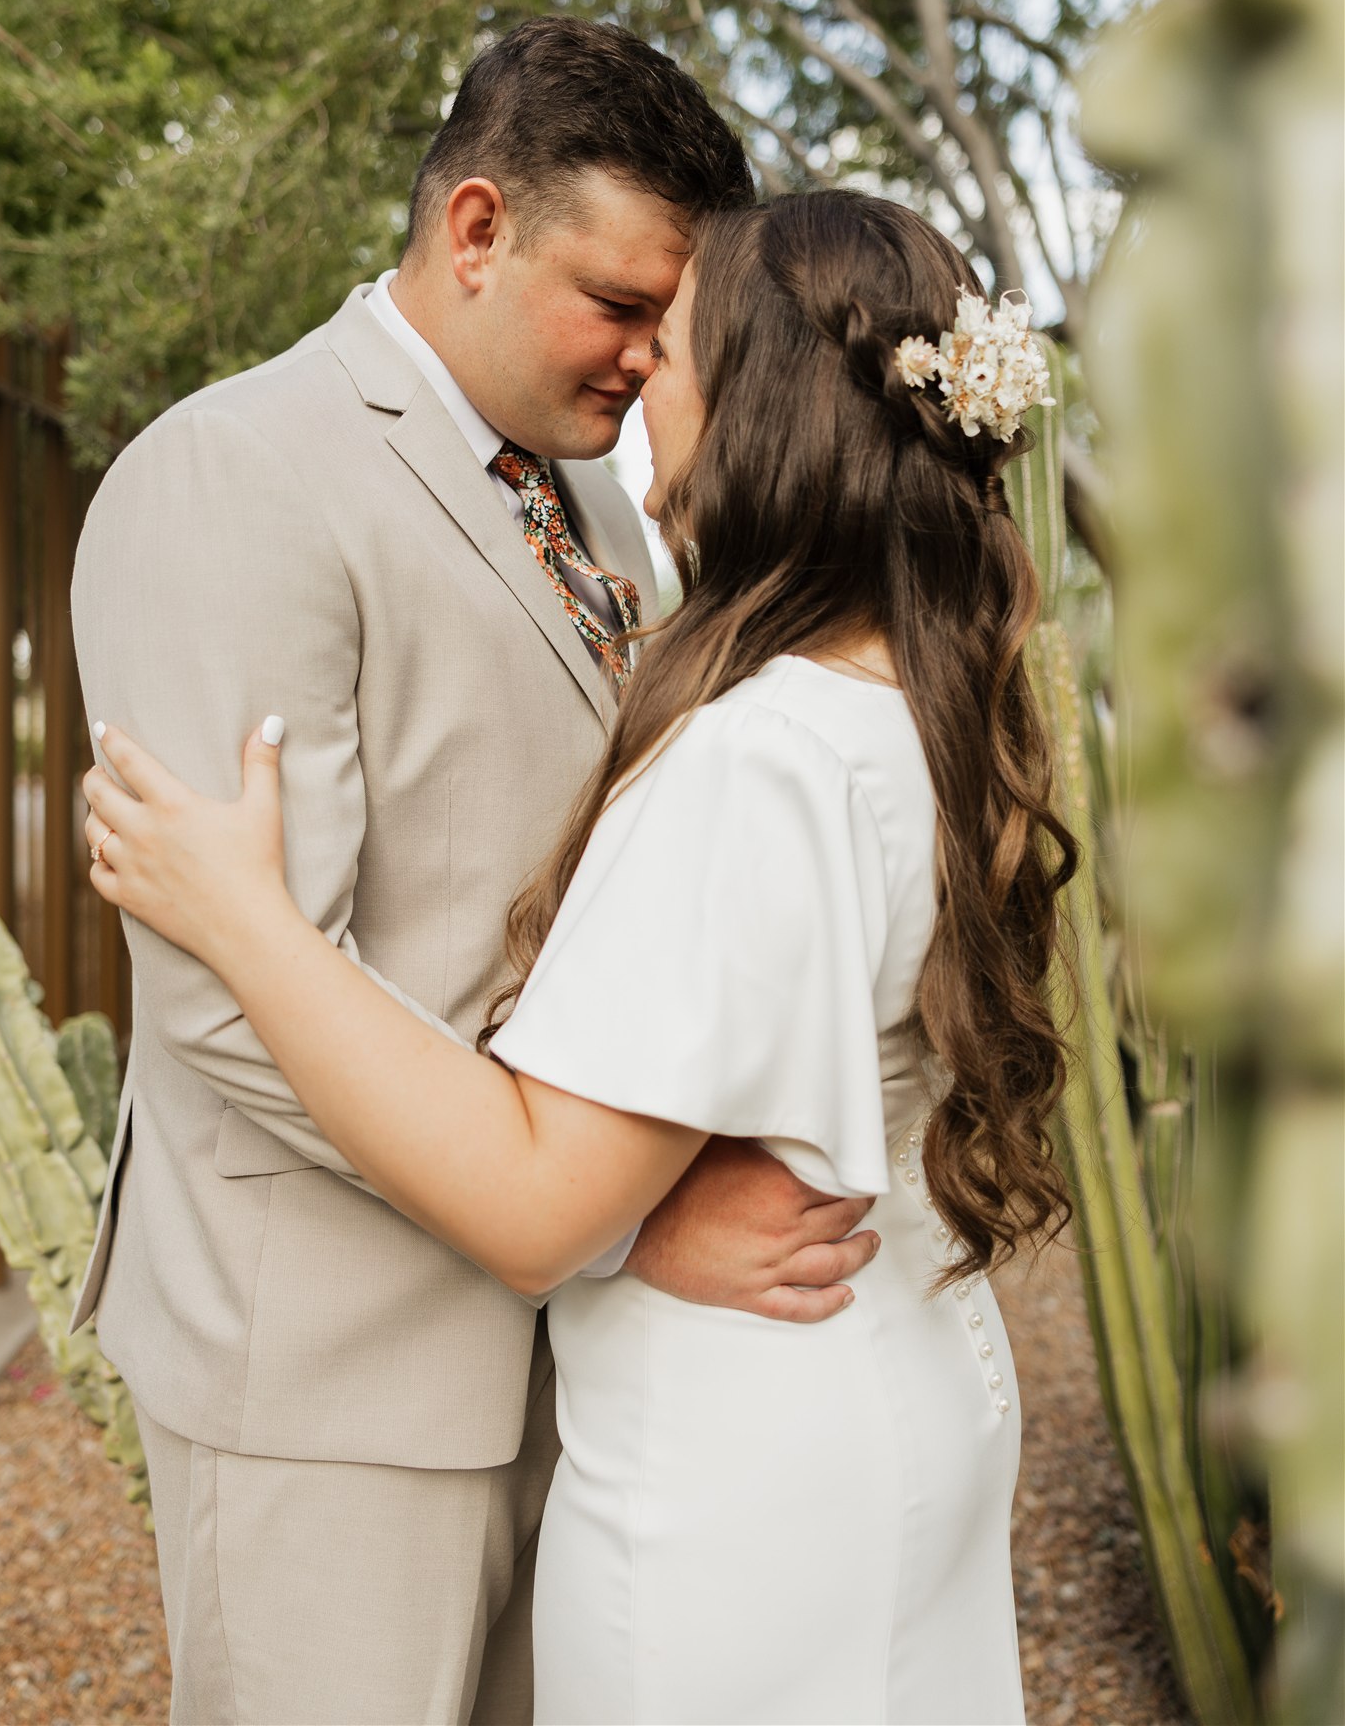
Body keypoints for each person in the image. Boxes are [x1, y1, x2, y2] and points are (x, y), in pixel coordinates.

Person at [84, 188, 1076, 1726]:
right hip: (877, 1370)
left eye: (668, 346)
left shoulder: (762, 748)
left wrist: (237, 912)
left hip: (740, 1441)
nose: (634, 392)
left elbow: (545, 1196)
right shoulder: (916, 697)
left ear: (761, 406)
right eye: (625, 318)